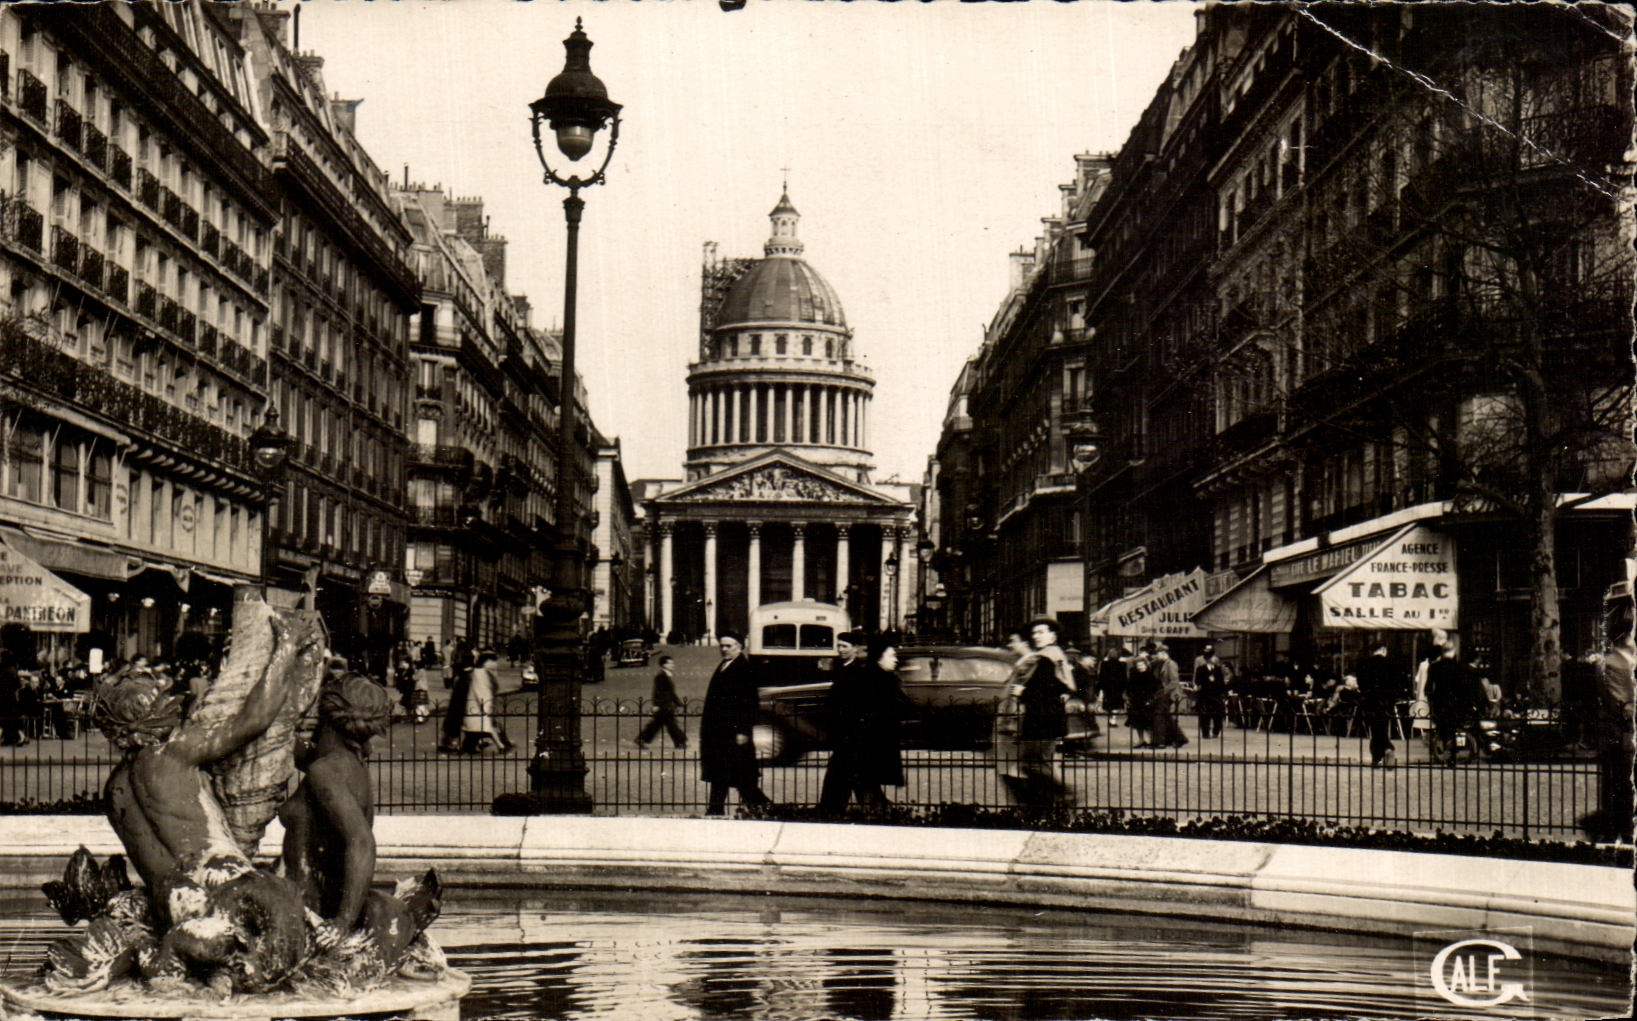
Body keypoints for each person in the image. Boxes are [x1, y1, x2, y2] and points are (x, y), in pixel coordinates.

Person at [817, 631, 904, 815]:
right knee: (858, 781)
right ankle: (876, 812)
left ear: (856, 649)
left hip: (854, 738)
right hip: (851, 738)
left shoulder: (861, 673)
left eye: (844, 646)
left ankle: (831, 813)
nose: (840, 650)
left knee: (847, 779)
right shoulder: (843, 668)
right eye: (839, 646)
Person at [699, 632, 770, 816]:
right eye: (722, 645)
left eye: (728, 646)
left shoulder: (744, 668)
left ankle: (765, 807)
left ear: (739, 647)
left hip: (733, 733)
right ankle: (715, 809)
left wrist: (743, 730)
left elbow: (749, 703)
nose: (724, 649)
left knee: (740, 778)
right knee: (722, 775)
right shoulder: (725, 665)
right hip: (720, 732)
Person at [1009, 618, 1074, 807]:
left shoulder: (1046, 657)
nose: (1036, 636)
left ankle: (1058, 799)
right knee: (1039, 762)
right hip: (1048, 717)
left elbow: (1046, 689)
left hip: (1042, 718)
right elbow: (1064, 687)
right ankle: (1053, 800)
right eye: (1035, 633)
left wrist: (1023, 692)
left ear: (1052, 636)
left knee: (1036, 762)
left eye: (1041, 632)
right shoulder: (1054, 655)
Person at [1424, 635, 1480, 766]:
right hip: (1456, 703)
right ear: (1453, 651)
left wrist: (1431, 699)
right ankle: (1451, 752)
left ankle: (1447, 748)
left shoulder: (1434, 667)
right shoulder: (1461, 667)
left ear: (1443, 652)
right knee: (1453, 728)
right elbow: (1465, 688)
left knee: (1442, 728)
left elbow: (1428, 688)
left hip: (1439, 703)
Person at [1354, 642, 1402, 768]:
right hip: (1386, 702)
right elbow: (1397, 683)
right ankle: (1385, 750)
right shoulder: (1391, 664)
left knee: (1375, 729)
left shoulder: (1364, 664)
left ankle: (1379, 755)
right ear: (1383, 649)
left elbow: (1361, 684)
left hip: (1371, 701)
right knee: (1383, 726)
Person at [462, 650, 513, 753]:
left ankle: (471, 746)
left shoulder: (482, 672)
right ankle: (500, 746)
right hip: (478, 706)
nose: (494, 669)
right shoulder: (480, 673)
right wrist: (486, 706)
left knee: (480, 728)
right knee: (487, 727)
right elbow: (481, 691)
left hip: (478, 706)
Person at [635, 654, 687, 749]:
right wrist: (656, 704)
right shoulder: (661, 676)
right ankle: (680, 741)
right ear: (664, 665)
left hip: (666, 705)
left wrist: (678, 703)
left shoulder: (666, 675)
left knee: (657, 724)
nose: (673, 665)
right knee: (670, 724)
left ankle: (642, 739)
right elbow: (657, 691)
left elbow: (671, 692)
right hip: (664, 705)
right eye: (670, 663)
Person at [1147, 643, 1188, 749]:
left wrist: (1164, 691)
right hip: (1160, 693)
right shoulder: (1159, 663)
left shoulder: (1171, 664)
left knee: (1159, 715)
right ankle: (1179, 738)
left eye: (1158, 653)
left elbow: (1174, 681)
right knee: (1166, 716)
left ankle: (1160, 741)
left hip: (1167, 693)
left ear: (1163, 653)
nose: (1156, 656)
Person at [1193, 647, 1228, 738]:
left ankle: (1216, 731)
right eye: (1213, 658)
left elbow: (1221, 682)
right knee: (1204, 714)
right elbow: (1197, 681)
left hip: (1216, 695)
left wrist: (1222, 693)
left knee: (1217, 714)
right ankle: (1205, 732)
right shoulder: (1201, 669)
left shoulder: (1218, 669)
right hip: (1205, 695)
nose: (1215, 660)